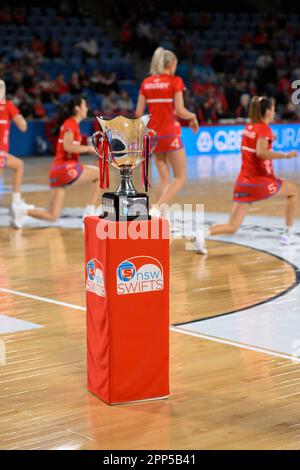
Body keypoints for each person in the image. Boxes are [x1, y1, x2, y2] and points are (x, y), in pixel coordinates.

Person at [193, 96, 299, 254]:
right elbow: (261, 152)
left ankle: (202, 235)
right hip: (259, 182)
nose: (275, 111)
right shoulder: (264, 129)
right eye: (273, 108)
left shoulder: (250, 127)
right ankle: (288, 235)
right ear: (268, 111)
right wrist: (286, 155)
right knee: (294, 191)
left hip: (243, 182)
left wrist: (271, 138)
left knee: (232, 226)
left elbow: (257, 142)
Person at [12, 96, 99, 228]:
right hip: (66, 168)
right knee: (100, 173)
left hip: (56, 172)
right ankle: (89, 211)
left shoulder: (70, 124)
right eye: (84, 105)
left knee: (53, 216)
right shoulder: (71, 124)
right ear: (77, 109)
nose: (87, 108)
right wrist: (89, 148)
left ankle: (22, 211)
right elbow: (68, 146)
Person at [135, 47, 199, 216]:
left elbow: (137, 113)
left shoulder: (146, 83)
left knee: (164, 178)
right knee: (180, 177)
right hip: (170, 133)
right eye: (176, 64)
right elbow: (180, 111)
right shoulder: (175, 81)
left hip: (153, 136)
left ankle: (162, 217)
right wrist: (193, 117)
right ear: (170, 64)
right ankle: (156, 208)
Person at [0, 80, 32, 214]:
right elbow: (23, 127)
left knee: (18, 164)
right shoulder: (7, 105)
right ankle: (16, 203)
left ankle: (17, 201)